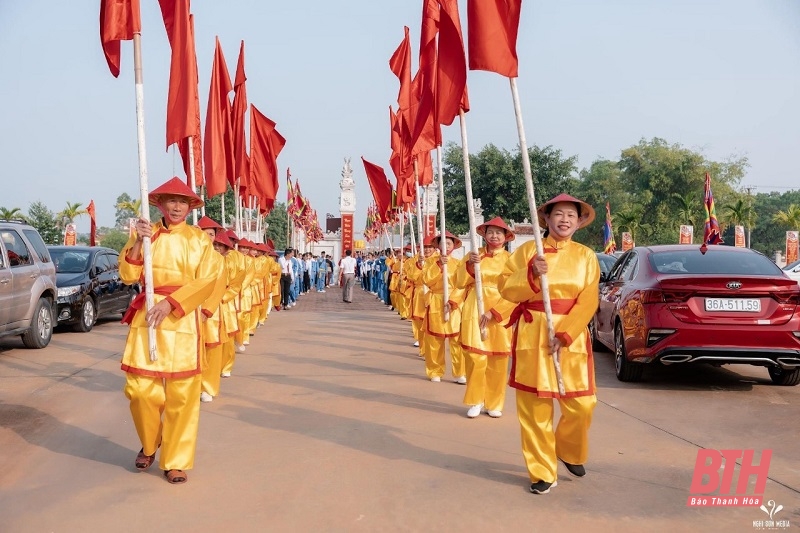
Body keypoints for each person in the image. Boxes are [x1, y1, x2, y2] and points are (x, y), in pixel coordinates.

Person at [498, 193, 599, 495]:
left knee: (582, 403)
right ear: (546, 218)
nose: (565, 219)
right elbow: (505, 287)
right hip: (534, 331)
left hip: (571, 336)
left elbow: (589, 297)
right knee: (534, 408)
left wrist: (567, 332)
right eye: (559, 214)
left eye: (571, 215)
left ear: (579, 222)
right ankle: (542, 471)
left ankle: (568, 450)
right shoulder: (529, 251)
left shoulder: (586, 256)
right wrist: (530, 273)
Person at [119, 176, 218, 485]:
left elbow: (208, 280)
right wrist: (138, 241)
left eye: (182, 201)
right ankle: (151, 442)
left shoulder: (199, 239)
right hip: (147, 315)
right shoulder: (147, 234)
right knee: (139, 390)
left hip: (182, 317)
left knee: (182, 395)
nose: (176, 206)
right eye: (170, 200)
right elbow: (127, 274)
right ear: (159, 204)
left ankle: (175, 460)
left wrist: (172, 303)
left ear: (189, 207)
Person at [455, 217, 516, 419]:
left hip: (500, 307)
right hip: (475, 305)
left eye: (499, 232)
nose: (494, 235)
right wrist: (470, 267)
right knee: (475, 356)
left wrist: (496, 312)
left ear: (506, 237)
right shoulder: (474, 256)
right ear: (484, 234)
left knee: (498, 359)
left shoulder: (510, 259)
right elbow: (459, 281)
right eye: (491, 231)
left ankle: (494, 402)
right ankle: (476, 400)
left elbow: (515, 291)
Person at [421, 231, 465, 383]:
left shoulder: (459, 263)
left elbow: (462, 284)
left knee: (457, 340)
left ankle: (460, 372)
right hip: (436, 301)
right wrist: (439, 265)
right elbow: (427, 280)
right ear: (437, 245)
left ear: (453, 246)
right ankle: (435, 370)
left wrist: (454, 301)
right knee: (434, 340)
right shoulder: (430, 262)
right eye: (442, 243)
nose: (445, 246)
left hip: (453, 303)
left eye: (448, 243)